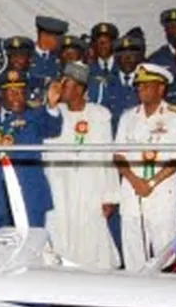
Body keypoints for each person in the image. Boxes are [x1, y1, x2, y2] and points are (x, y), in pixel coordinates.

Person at [113, 64, 176, 307]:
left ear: (161, 88)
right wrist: (134, 180)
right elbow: (118, 154)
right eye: (139, 85)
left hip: (162, 192)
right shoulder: (128, 116)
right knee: (133, 248)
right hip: (132, 190)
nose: (142, 90)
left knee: (164, 249)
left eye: (147, 85)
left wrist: (152, 181)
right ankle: (136, 303)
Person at [41, 62, 120, 270]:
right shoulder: (53, 113)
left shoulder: (100, 114)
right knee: (60, 233)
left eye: (66, 84)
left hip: (90, 186)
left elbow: (107, 155)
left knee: (90, 236)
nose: (61, 88)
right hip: (59, 186)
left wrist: (110, 196)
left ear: (80, 89)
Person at [0, 69, 63, 231]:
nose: (16, 96)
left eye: (20, 91)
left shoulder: (36, 114)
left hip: (29, 192)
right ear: (1, 94)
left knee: (30, 241)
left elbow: (52, 128)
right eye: (10, 92)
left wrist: (52, 105)